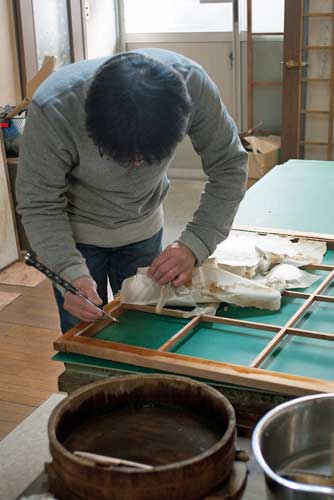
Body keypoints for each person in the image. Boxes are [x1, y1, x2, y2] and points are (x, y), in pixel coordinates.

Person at [16, 48, 248, 333]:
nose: (136, 166)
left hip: (144, 227)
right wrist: (68, 273)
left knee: (147, 333)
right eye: (123, 157)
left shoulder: (193, 87)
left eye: (148, 157)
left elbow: (229, 165)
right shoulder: (54, 107)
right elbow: (39, 203)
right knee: (84, 342)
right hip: (73, 236)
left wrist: (196, 242)